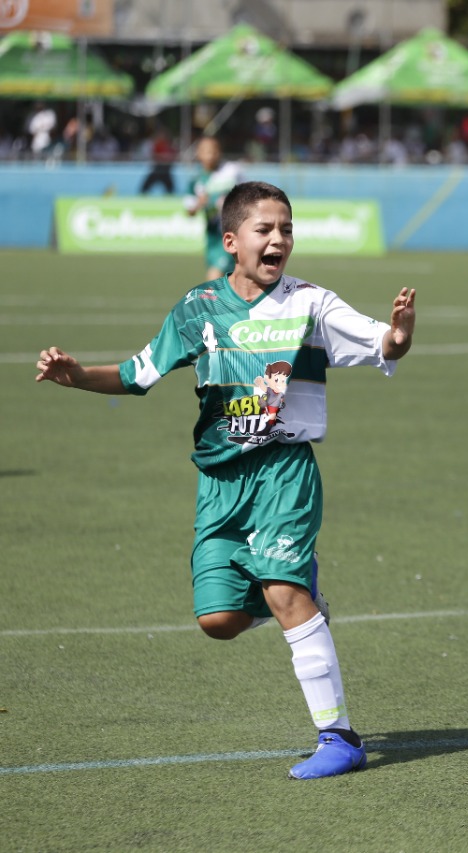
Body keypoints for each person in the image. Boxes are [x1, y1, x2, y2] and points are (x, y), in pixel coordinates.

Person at [35, 181, 417, 780]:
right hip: (219, 480)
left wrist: (399, 330)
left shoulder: (311, 303)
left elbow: (384, 345)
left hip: (284, 472)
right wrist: (79, 375)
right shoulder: (198, 308)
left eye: (286, 229)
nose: (279, 240)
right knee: (218, 622)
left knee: (284, 595)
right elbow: (139, 373)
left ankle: (339, 736)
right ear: (232, 241)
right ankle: (295, 591)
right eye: (265, 230)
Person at [184, 136, 245, 282]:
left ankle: (207, 304)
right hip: (213, 237)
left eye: (214, 151)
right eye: (206, 151)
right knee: (229, 281)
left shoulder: (231, 171)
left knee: (214, 277)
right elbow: (189, 211)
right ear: (198, 154)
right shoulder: (197, 181)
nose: (211, 155)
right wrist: (200, 203)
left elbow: (248, 192)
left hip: (232, 234)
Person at [139, 127, 176, 194]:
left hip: (166, 170)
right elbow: (154, 155)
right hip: (157, 169)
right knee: (145, 187)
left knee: (170, 188)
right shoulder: (157, 145)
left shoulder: (169, 146)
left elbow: (172, 157)